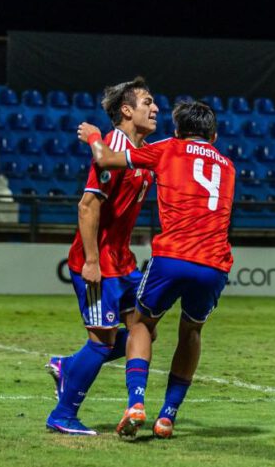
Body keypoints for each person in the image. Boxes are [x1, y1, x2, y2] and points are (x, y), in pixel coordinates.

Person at [81, 100, 235, 439]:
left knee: (142, 322)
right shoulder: (227, 165)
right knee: (192, 331)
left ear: (178, 131)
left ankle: (136, 401)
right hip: (214, 262)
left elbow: (105, 159)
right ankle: (168, 416)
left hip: (174, 255)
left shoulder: (169, 148)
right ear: (215, 134)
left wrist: (93, 136)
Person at [45, 77, 157, 436]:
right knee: (102, 341)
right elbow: (87, 207)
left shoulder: (139, 152)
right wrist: (91, 261)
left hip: (122, 262)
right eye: (147, 103)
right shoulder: (112, 147)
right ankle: (63, 414)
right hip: (98, 264)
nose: (155, 109)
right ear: (126, 111)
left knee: (143, 331)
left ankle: (68, 366)